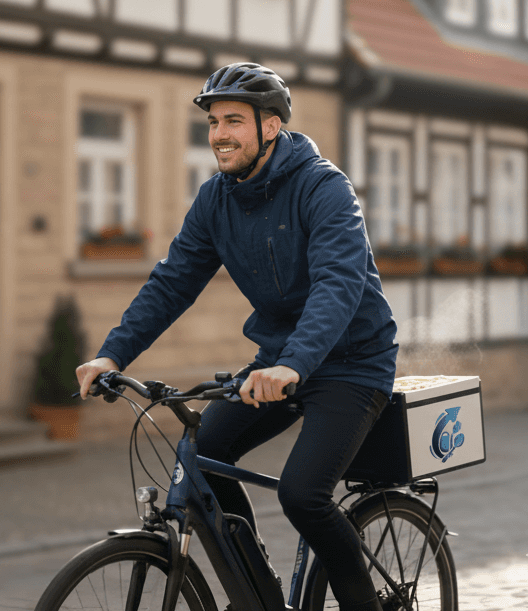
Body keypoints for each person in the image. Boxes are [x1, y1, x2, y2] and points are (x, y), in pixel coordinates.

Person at [75, 63, 397, 611]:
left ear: (270, 127)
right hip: (278, 361)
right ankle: (260, 594)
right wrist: (113, 352)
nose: (218, 134)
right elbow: (173, 281)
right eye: (213, 122)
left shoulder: (324, 188)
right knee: (206, 450)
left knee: (303, 494)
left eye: (233, 121)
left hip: (350, 363)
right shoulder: (216, 199)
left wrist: (293, 365)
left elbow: (337, 284)